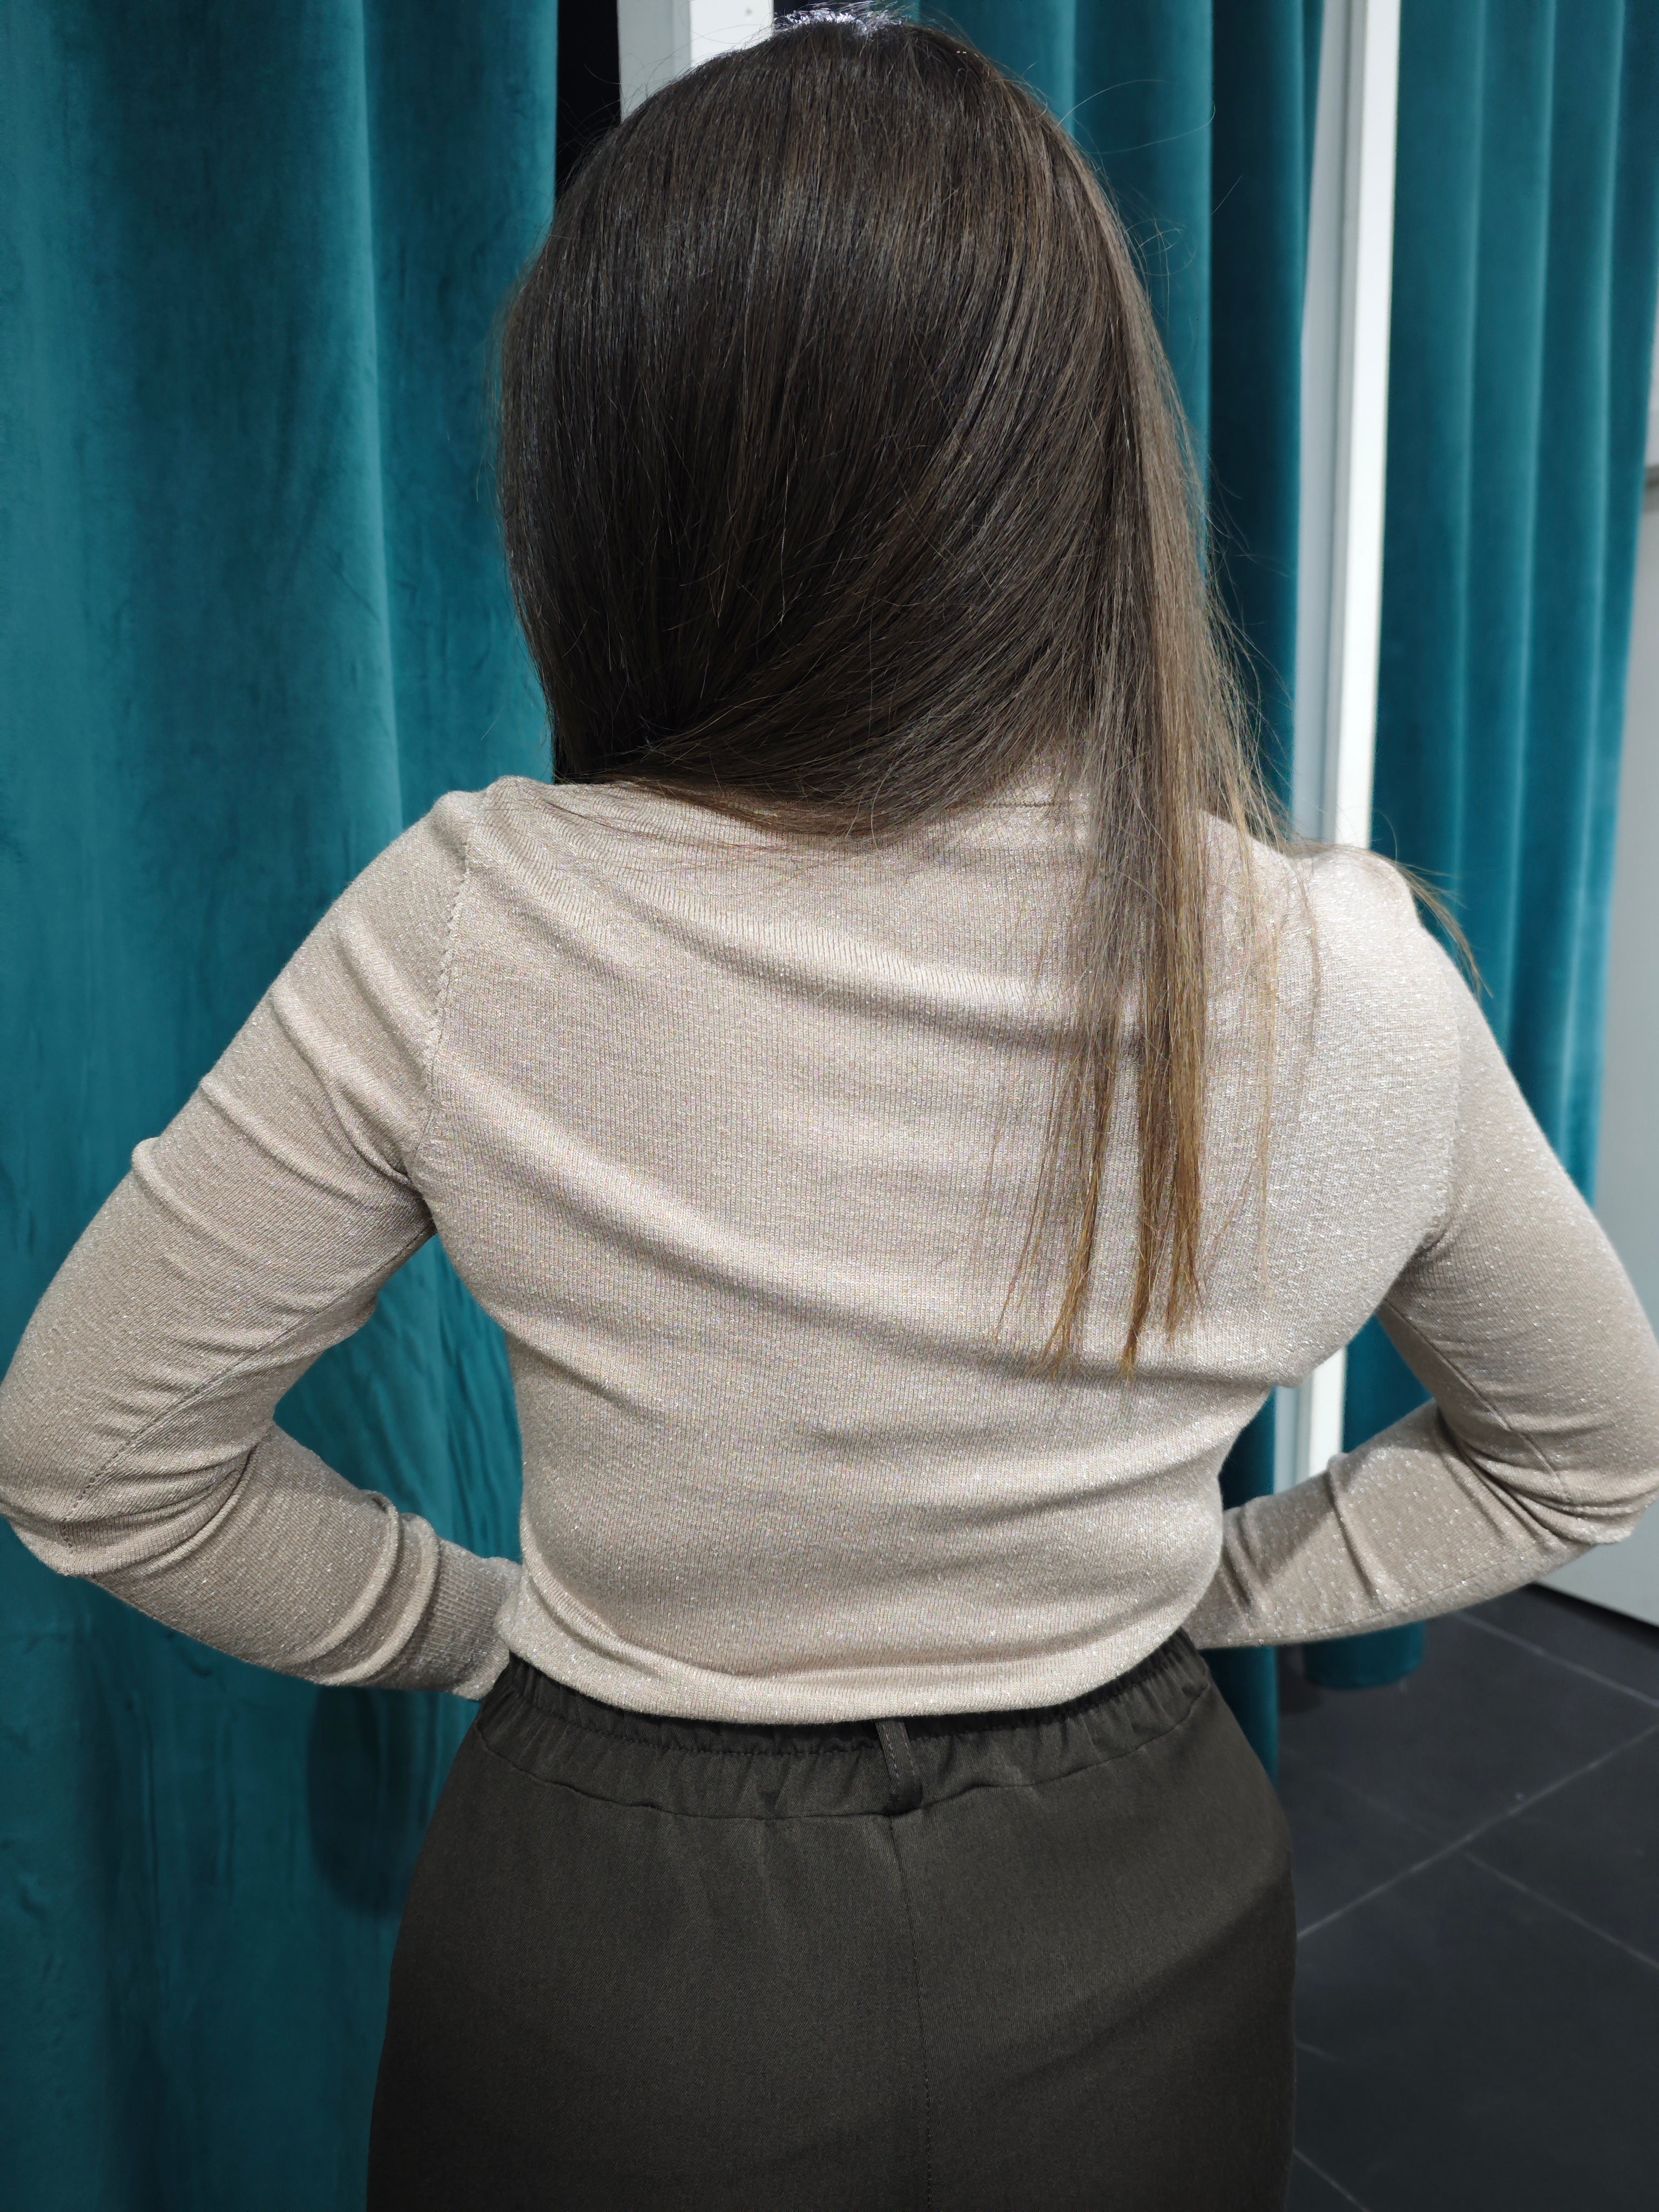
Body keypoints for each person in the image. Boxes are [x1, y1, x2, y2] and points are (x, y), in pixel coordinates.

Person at [3, 11, 1657, 2209]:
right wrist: (1214, 1593)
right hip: (1141, 1898)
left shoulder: (475, 923)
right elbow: (1588, 1448)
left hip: (614, 1952)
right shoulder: (1348, 972)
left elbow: (91, 1451)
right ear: (1088, 472)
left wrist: (476, 1629)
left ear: (610, 471)